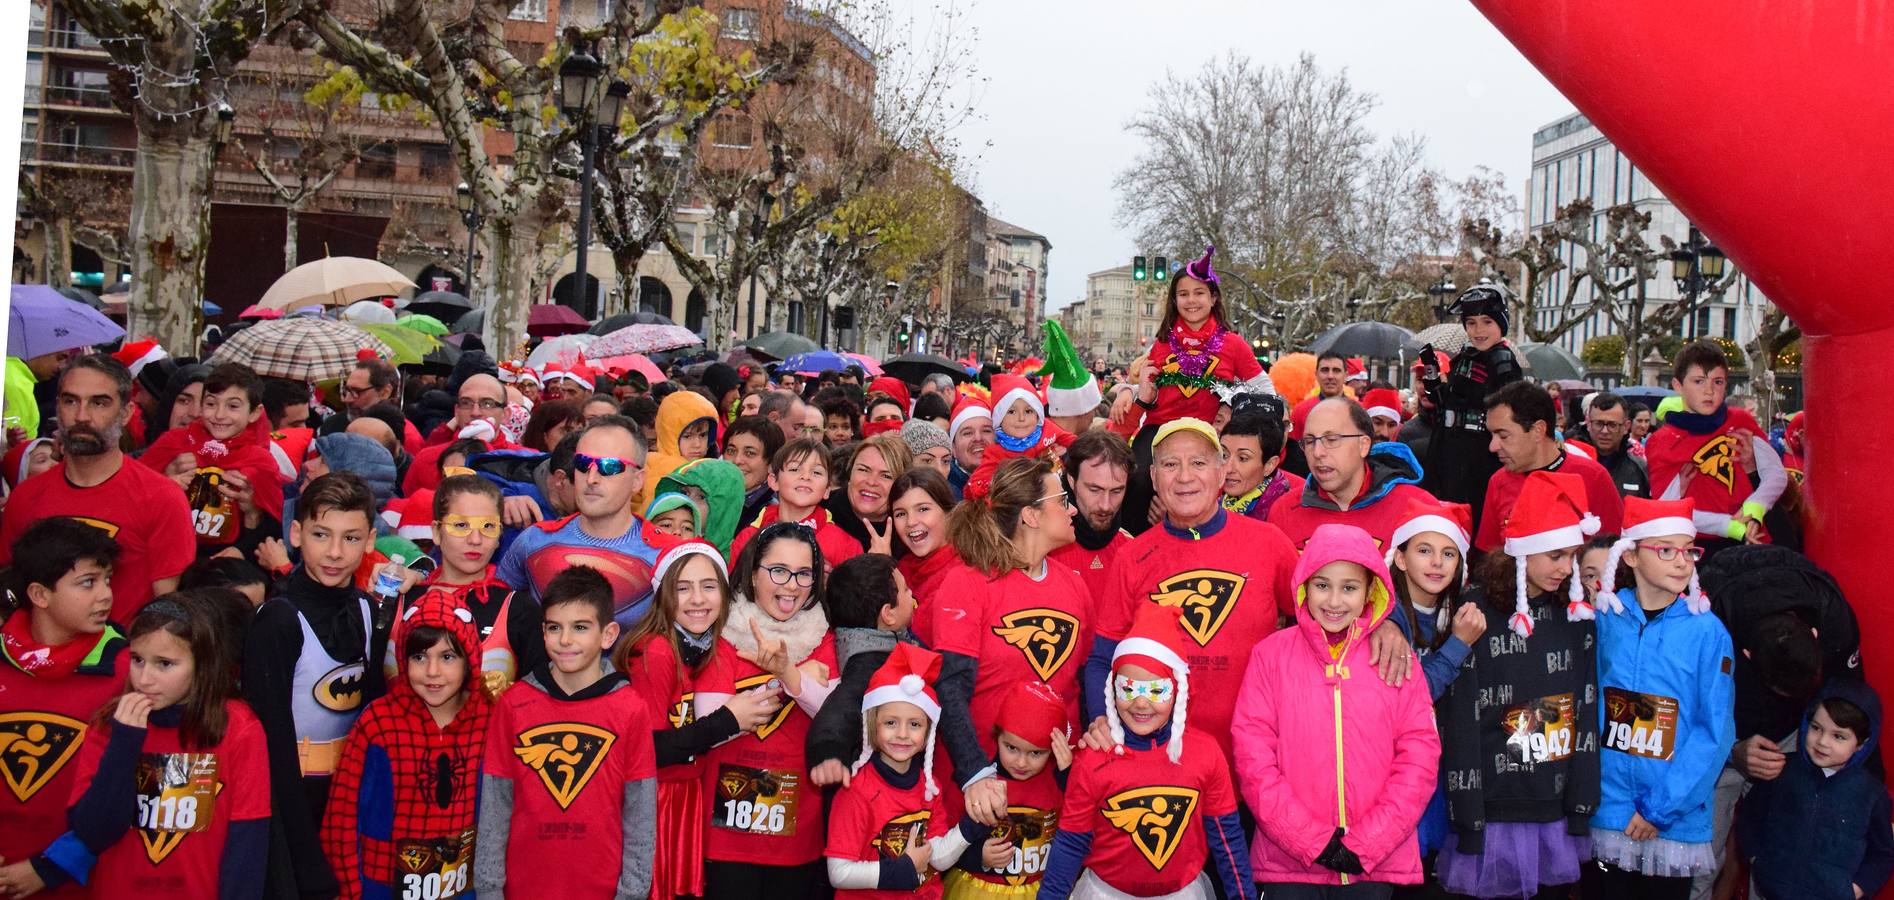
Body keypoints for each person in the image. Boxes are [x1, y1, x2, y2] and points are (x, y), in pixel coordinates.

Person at [1083, 418, 1305, 772]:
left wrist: (1389, 624)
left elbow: (1322, 614)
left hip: (1253, 760)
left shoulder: (1269, 543)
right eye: (1171, 465)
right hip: (1158, 765)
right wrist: (1099, 717)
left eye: (1198, 463)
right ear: (1154, 478)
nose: (1184, 477)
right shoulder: (1132, 556)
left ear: (1221, 473)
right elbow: (1101, 658)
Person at [1232, 524, 1441, 896]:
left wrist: (1369, 844)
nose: (1334, 601)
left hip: (1373, 865)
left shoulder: (1393, 658)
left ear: (1370, 593)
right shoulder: (1271, 656)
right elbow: (1253, 758)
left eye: (1349, 588)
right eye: (1322, 585)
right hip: (1290, 864)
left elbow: (1420, 757)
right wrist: (1311, 841)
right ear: (1303, 588)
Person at [1436, 471, 1601, 899]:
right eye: (1556, 556)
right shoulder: (1476, 610)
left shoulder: (1576, 614)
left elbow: (1585, 710)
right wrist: (1469, 819)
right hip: (1493, 806)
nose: (1567, 569)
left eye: (1573, 556)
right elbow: (1459, 718)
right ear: (1524, 554)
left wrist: (1579, 806)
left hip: (1553, 806)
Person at [1040, 605, 1254, 900]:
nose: (1141, 703)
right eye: (1129, 688)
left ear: (1178, 691)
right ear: (1112, 690)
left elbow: (1227, 839)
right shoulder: (1093, 759)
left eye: (1156, 691)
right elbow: (1071, 844)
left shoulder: (1205, 754)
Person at [66, 590, 271, 897]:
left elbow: (247, 844)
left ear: (202, 664)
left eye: (164, 664)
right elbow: (93, 833)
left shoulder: (239, 728)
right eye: (137, 660)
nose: (144, 679)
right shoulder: (110, 725)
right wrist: (124, 743)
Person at [615, 542, 785, 900]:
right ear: (663, 596)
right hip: (655, 803)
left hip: (683, 796)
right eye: (682, 588)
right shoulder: (656, 651)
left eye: (708, 586)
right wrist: (729, 720)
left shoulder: (703, 645)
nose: (697, 599)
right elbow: (648, 749)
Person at [246, 471, 388, 899]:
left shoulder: (367, 609)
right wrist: (302, 856)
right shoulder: (278, 620)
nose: (334, 552)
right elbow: (269, 742)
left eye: (350, 538)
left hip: (349, 797)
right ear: (296, 533)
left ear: (369, 541)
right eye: (321, 534)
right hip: (291, 802)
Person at [474, 566, 657, 898]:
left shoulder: (631, 709)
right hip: (523, 887)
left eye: (580, 627)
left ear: (608, 634)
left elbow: (640, 814)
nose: (566, 640)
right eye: (554, 627)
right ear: (542, 632)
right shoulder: (514, 705)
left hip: (601, 889)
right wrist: (489, 889)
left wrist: (632, 892)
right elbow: (495, 806)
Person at [1587, 497, 1735, 895]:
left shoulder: (1708, 632)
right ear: (1631, 557)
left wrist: (1661, 808)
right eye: (1666, 551)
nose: (1682, 562)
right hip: (1607, 812)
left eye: (1688, 551)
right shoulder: (1607, 617)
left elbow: (1714, 731)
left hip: (1671, 820)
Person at [699, 523, 838, 899]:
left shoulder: (822, 634)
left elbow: (834, 715)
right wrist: (790, 684)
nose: (791, 585)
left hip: (796, 829)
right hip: (726, 826)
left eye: (804, 573)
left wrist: (786, 671)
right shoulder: (724, 631)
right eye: (778, 571)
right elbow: (712, 722)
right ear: (753, 573)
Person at [322, 593, 491, 900]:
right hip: (381, 885)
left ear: (470, 659)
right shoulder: (377, 723)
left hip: (463, 887)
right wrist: (348, 889)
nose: (433, 672)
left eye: (448, 657)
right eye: (419, 657)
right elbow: (342, 816)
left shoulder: (489, 720)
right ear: (402, 658)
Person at [0, 356, 194, 622]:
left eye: (98, 403)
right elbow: (10, 587)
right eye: (70, 401)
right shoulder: (25, 496)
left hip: (117, 657)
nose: (81, 416)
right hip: (35, 657)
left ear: (126, 413)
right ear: (57, 406)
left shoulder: (161, 498)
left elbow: (165, 611)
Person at [0, 519, 125, 897]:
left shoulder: (128, 669)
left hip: (88, 880)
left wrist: (53, 866)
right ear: (39, 594)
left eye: (107, 580)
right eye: (88, 582)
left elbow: (132, 786)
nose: (105, 595)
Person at [1110, 247, 1272, 533]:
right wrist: (1125, 389)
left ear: (1213, 298)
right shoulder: (1162, 342)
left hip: (1208, 435)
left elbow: (1266, 389)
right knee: (1135, 479)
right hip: (1160, 431)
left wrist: (1238, 409)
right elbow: (1144, 383)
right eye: (1183, 294)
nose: (1191, 300)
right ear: (1174, 300)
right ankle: (1133, 545)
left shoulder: (1233, 344)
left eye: (1199, 293)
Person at [825, 644, 979, 897]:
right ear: (873, 724)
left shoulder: (930, 787)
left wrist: (974, 824)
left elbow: (937, 857)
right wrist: (902, 870)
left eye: (915, 724)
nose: (903, 734)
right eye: (891, 722)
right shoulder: (856, 791)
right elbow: (839, 872)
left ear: (929, 731)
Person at [494, 415, 672, 630]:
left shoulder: (666, 556)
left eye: (609, 467)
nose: (591, 478)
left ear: (638, 481)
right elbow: (494, 621)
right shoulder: (534, 540)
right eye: (583, 464)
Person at [1737, 680, 1894, 900]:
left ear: (1862, 743)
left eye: (1838, 736)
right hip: (1769, 892)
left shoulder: (1872, 794)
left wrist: (1854, 889)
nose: (1822, 742)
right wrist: (1757, 860)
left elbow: (1882, 854)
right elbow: (1750, 818)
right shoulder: (1781, 770)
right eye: (1816, 728)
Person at [389, 475, 546, 696]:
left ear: (499, 535)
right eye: (461, 525)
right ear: (436, 531)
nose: (475, 539)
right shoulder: (399, 595)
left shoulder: (520, 610)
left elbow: (538, 700)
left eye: (488, 526)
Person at [1646, 341, 1787, 551]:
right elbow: (1666, 507)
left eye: (1718, 382)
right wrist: (1728, 526)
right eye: (1699, 381)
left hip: (1755, 539)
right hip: (1697, 548)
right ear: (1677, 385)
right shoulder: (1662, 441)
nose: (1709, 391)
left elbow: (1776, 474)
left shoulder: (1741, 420)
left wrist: (1756, 506)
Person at [940, 680, 1075, 898]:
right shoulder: (976, 785)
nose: (1021, 763)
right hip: (975, 890)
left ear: (1054, 750)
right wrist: (976, 857)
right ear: (997, 736)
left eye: (1036, 753)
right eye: (1011, 748)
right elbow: (940, 843)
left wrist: (1068, 774)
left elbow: (1083, 822)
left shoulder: (1057, 783)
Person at [141, 363, 290, 559]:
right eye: (211, 404)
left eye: (233, 406)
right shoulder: (175, 442)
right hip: (167, 553)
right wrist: (166, 483)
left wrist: (251, 519)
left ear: (254, 413)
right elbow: (133, 490)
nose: (220, 415)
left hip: (224, 565)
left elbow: (275, 525)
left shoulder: (259, 460)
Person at [806, 553, 926, 786]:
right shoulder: (869, 665)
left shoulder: (881, 647)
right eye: (905, 590)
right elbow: (841, 709)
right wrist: (828, 752)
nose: (911, 594)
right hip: (869, 795)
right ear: (888, 614)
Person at [1419, 282, 1523, 533]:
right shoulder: (1465, 357)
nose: (1478, 330)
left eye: (1487, 321)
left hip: (1479, 458)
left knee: (1471, 524)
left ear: (1501, 323)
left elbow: (1508, 413)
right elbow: (1448, 402)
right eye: (1472, 322)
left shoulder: (1503, 361)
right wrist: (1435, 385)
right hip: (1446, 451)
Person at [1474, 380, 1624, 552]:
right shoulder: (1498, 482)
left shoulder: (1593, 477)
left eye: (1503, 436)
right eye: (1491, 435)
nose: (1492, 446)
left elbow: (1615, 554)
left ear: (1538, 430)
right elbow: (1488, 559)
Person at [1266, 398, 1436, 550]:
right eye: (1309, 441)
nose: (1317, 452)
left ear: (1363, 445)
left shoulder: (1417, 508)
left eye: (1331, 440)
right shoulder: (1284, 512)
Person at [731, 437, 864, 568]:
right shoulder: (748, 537)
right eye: (794, 469)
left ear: (827, 490)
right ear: (774, 481)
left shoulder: (846, 545)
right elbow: (734, 586)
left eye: (816, 472)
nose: (805, 477)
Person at [1046, 430, 1133, 607]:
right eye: (1095, 490)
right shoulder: (1042, 548)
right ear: (1071, 481)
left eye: (1116, 491)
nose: (1105, 505)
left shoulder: (1131, 549)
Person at [965, 374, 1072, 500]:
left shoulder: (1047, 429)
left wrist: (1066, 454)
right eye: (1011, 412)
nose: (1021, 418)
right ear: (999, 419)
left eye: (1028, 411)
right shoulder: (996, 453)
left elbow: (1076, 443)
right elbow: (974, 488)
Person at [889, 467, 963, 644]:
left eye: (922, 509)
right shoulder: (901, 567)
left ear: (948, 512)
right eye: (901, 514)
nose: (911, 522)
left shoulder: (964, 571)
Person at [826, 434, 913, 555]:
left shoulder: (911, 530)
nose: (871, 482)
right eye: (863, 469)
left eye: (886, 476)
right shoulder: (818, 512)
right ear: (850, 472)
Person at [1220, 408, 1300, 521]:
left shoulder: (1286, 515)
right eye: (1224, 456)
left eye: (1243, 458)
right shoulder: (1213, 506)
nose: (1228, 468)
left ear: (1269, 465)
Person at [1579, 392, 1651, 498]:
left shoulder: (1640, 469)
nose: (1604, 431)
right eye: (1599, 424)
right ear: (1589, 424)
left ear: (1626, 427)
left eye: (1613, 425)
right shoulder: (1574, 465)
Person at [726, 416, 786, 528]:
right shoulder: (708, 497)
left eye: (749, 453)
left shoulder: (772, 516)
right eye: (731, 451)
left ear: (771, 464)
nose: (737, 460)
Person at [946, 396, 993, 500]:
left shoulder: (1013, 481)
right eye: (967, 433)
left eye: (986, 431)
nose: (978, 438)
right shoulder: (944, 495)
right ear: (953, 448)